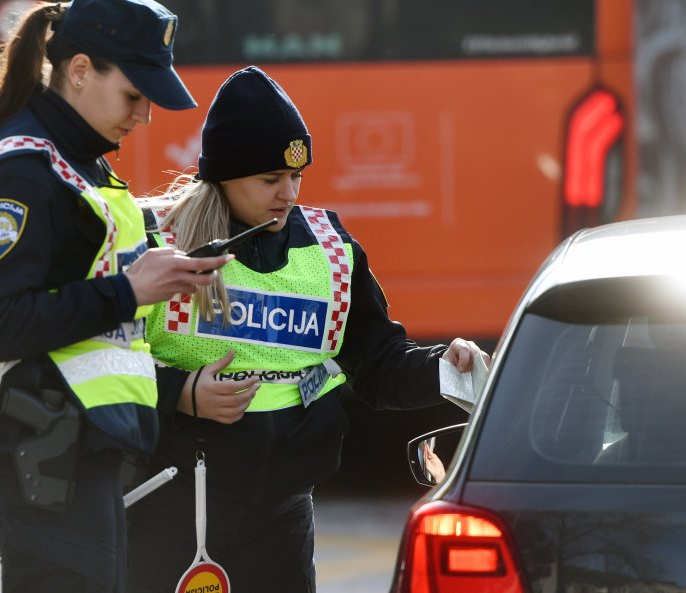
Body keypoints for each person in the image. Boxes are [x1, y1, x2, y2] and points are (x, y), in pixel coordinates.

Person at [127, 66, 489, 592]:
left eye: (297, 177)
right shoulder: (160, 243)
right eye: (269, 179)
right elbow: (102, 362)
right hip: (172, 506)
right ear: (224, 176)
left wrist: (442, 368)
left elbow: (376, 361)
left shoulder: (330, 248)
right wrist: (182, 395)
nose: (288, 193)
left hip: (281, 514)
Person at [0, 1, 232, 591]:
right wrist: (131, 290)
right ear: (79, 70)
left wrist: (157, 268)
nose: (145, 116)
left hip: (70, 454)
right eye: (134, 95)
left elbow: (85, 287)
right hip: (38, 455)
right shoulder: (23, 171)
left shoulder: (80, 164)